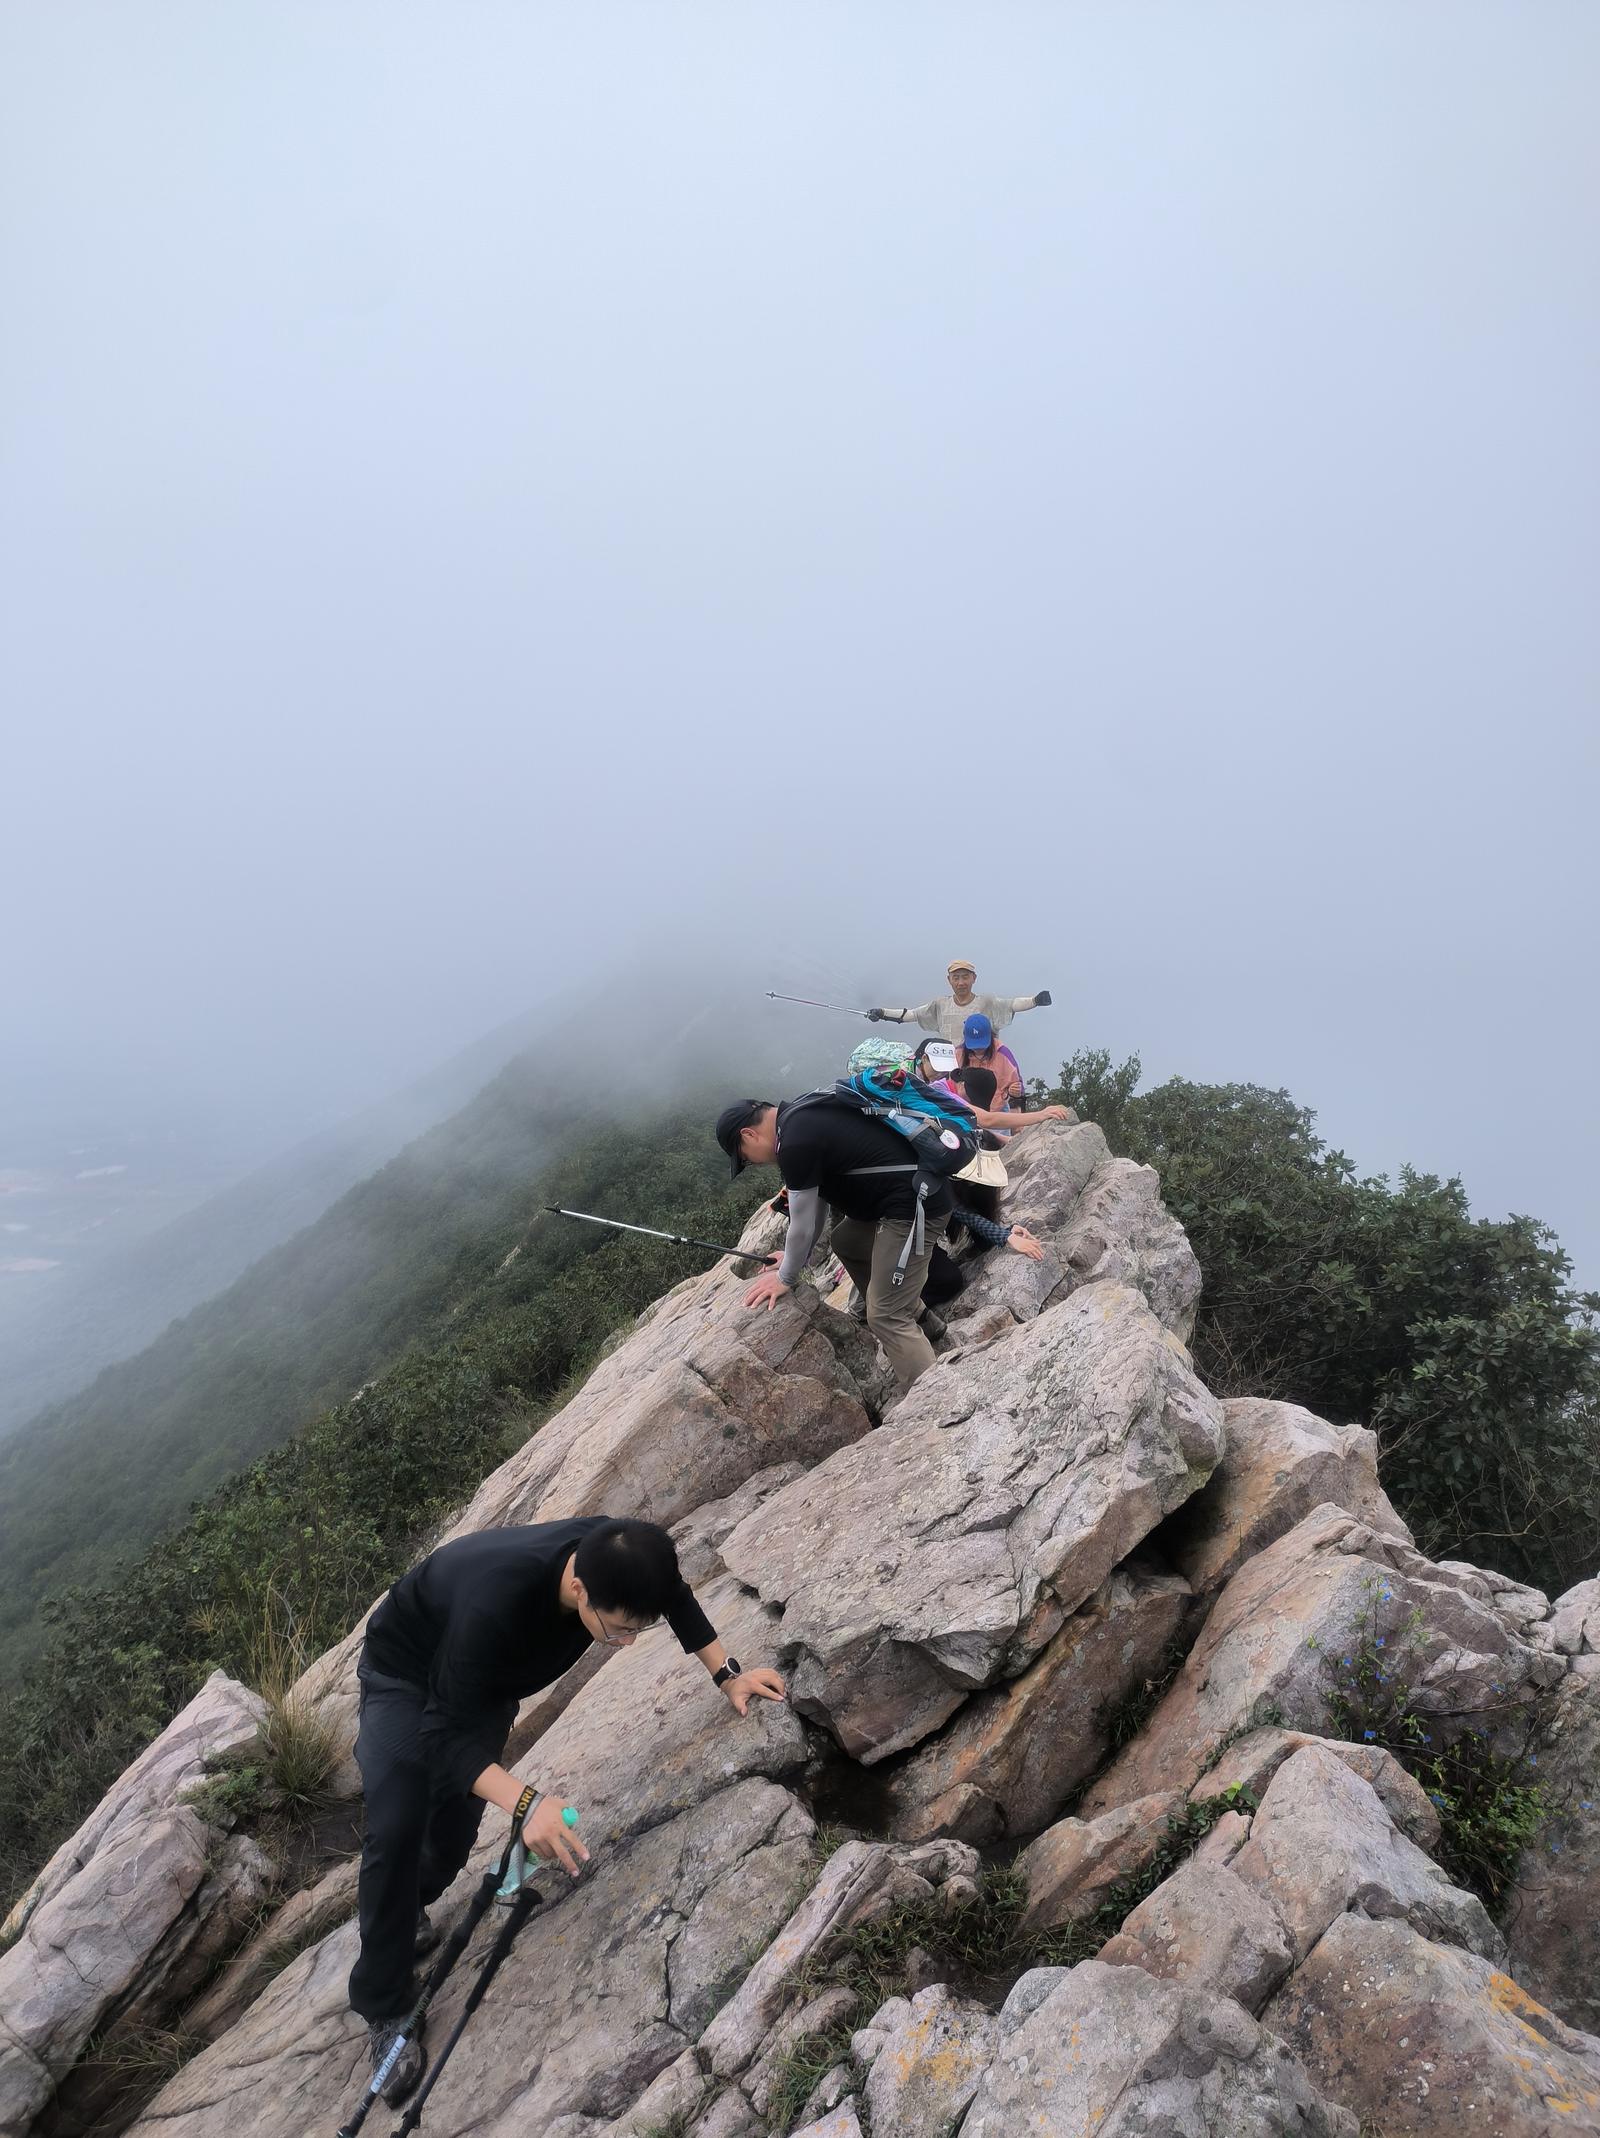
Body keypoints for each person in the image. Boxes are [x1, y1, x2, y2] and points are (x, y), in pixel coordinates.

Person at [349, 1516, 785, 2104]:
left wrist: (728, 1675)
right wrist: (528, 1803)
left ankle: (409, 1905)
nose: (626, 1642)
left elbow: (671, 1594)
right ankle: (384, 2005)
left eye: (635, 1632)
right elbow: (442, 1739)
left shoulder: (622, 1557)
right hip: (406, 1673)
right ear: (579, 1588)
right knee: (399, 1819)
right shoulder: (496, 1600)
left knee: (451, 1834)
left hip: (480, 1685)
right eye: (619, 1630)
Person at [717, 1095, 953, 1387]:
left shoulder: (794, 1143)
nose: (753, 1163)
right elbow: (817, 1204)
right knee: (846, 1241)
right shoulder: (799, 1116)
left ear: (748, 1135)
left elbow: (802, 1227)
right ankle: (923, 1320)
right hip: (902, 1200)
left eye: (744, 1159)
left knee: (885, 1315)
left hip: (915, 1208)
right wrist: (794, 1259)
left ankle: (936, 1398)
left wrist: (785, 1277)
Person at [868, 959, 1052, 1047]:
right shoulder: (940, 1005)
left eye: (965, 977)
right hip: (949, 1067)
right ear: (949, 980)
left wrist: (1035, 1000)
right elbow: (911, 1015)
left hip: (982, 1063)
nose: (961, 982)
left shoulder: (986, 1003)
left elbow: (1011, 1005)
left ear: (974, 978)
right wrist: (882, 1013)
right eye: (956, 978)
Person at [956, 1012, 1023, 1112]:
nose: (978, 1048)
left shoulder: (1003, 1053)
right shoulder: (958, 1053)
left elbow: (1018, 1085)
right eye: (974, 1045)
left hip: (997, 1110)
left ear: (991, 1035)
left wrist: (1015, 1090)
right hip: (966, 1110)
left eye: (981, 1044)